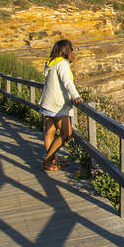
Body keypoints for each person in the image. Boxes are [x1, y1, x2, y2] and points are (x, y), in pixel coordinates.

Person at [39, 38, 83, 171]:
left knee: (50, 132)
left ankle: (52, 160)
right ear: (66, 50)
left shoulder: (51, 63)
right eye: (71, 49)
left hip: (46, 103)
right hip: (57, 105)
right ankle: (47, 161)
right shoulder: (62, 64)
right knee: (66, 133)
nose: (72, 52)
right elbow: (67, 82)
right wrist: (76, 96)